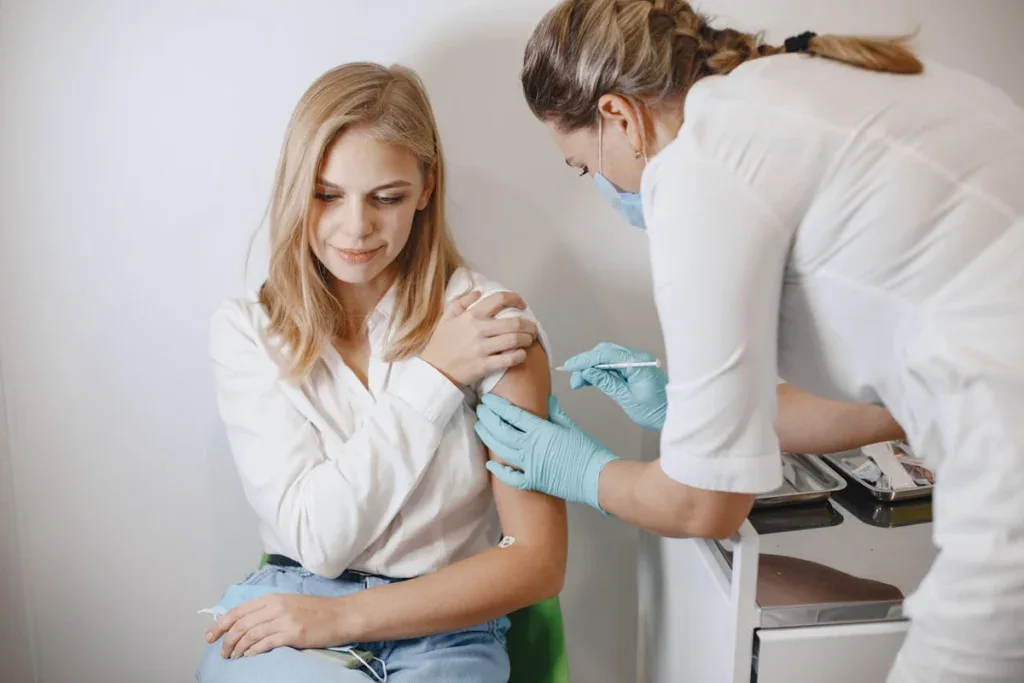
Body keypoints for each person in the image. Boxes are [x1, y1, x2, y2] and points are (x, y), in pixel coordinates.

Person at [474, 1, 1024, 681]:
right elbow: (889, 405)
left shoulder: (699, 166)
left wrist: (582, 468)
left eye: (584, 167)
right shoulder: (808, 83)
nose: (603, 189)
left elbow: (705, 504)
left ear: (619, 116)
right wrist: (688, 412)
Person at [197, 62, 566, 683]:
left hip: (447, 629)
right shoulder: (247, 331)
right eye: (326, 194)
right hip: (294, 603)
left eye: (387, 197)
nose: (356, 228)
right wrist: (436, 377)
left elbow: (536, 563)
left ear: (426, 188)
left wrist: (343, 620)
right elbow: (318, 539)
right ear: (294, 189)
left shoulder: (491, 323)